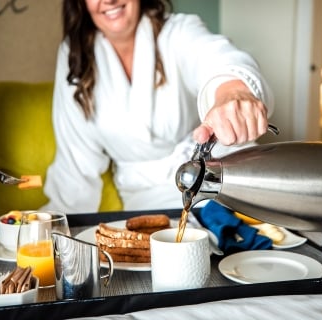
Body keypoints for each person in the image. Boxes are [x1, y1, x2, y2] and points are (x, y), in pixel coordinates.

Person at [41, 0, 274, 214]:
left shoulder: (178, 31)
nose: (109, 0)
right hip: (147, 201)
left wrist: (233, 92)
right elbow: (75, 159)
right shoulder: (75, 56)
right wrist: (52, 224)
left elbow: (215, 57)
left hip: (219, 178)